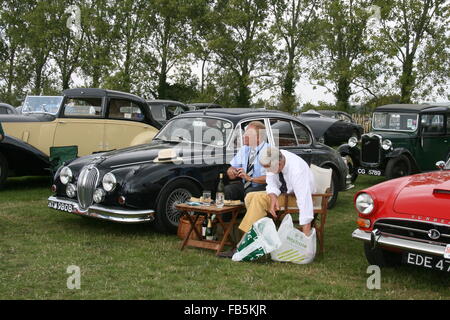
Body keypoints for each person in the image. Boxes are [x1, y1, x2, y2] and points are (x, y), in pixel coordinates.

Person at [240, 146, 316, 236]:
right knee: (250, 196)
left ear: (279, 164)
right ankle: (259, 234)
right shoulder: (277, 157)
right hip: (286, 194)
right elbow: (271, 182)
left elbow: (304, 202)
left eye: (268, 168)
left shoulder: (297, 171)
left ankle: (247, 239)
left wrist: (306, 238)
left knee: (258, 199)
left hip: (302, 198)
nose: (267, 171)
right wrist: (273, 198)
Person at [225, 121, 269, 201]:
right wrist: (231, 171)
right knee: (228, 190)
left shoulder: (269, 151)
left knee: (249, 192)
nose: (244, 136)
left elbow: (269, 178)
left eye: (248, 134)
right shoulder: (244, 149)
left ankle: (250, 213)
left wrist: (250, 178)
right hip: (246, 185)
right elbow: (232, 168)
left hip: (264, 186)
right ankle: (228, 214)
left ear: (259, 138)